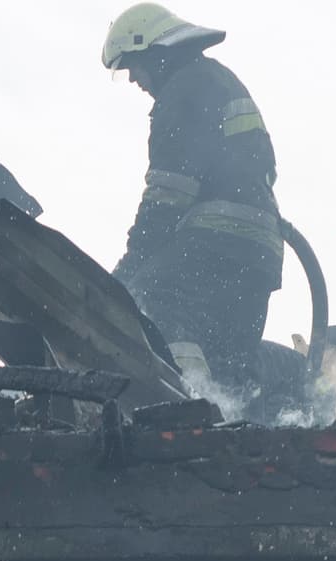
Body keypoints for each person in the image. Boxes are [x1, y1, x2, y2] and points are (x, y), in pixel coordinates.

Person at [98, 5, 284, 395]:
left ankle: (190, 405)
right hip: (262, 253)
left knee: (151, 303)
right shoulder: (221, 80)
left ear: (155, 52)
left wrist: (130, 269)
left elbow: (167, 194)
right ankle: (230, 414)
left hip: (215, 241)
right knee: (227, 359)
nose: (133, 79)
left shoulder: (183, 90)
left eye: (134, 66)